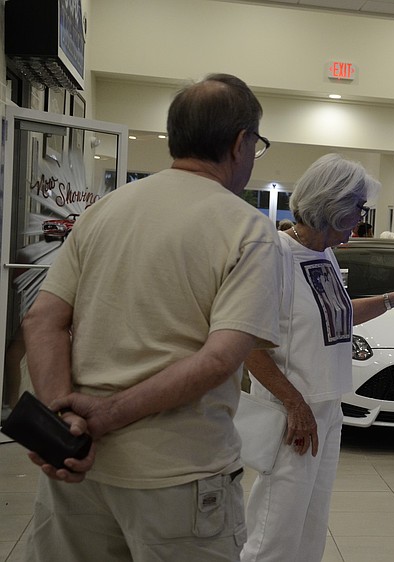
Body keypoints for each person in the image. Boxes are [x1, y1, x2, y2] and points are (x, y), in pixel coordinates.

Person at [20, 73, 283, 562]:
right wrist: (108, 416)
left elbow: (42, 320)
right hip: (179, 479)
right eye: (256, 144)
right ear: (240, 142)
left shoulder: (104, 211)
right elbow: (220, 358)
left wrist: (65, 422)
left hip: (78, 467)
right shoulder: (248, 229)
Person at [241, 153, 394, 562]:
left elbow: (338, 314)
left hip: (326, 406)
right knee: (274, 530)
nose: (360, 218)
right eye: (356, 208)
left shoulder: (325, 254)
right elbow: (247, 343)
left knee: (311, 525)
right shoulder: (274, 255)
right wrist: (294, 403)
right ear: (330, 205)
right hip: (291, 413)